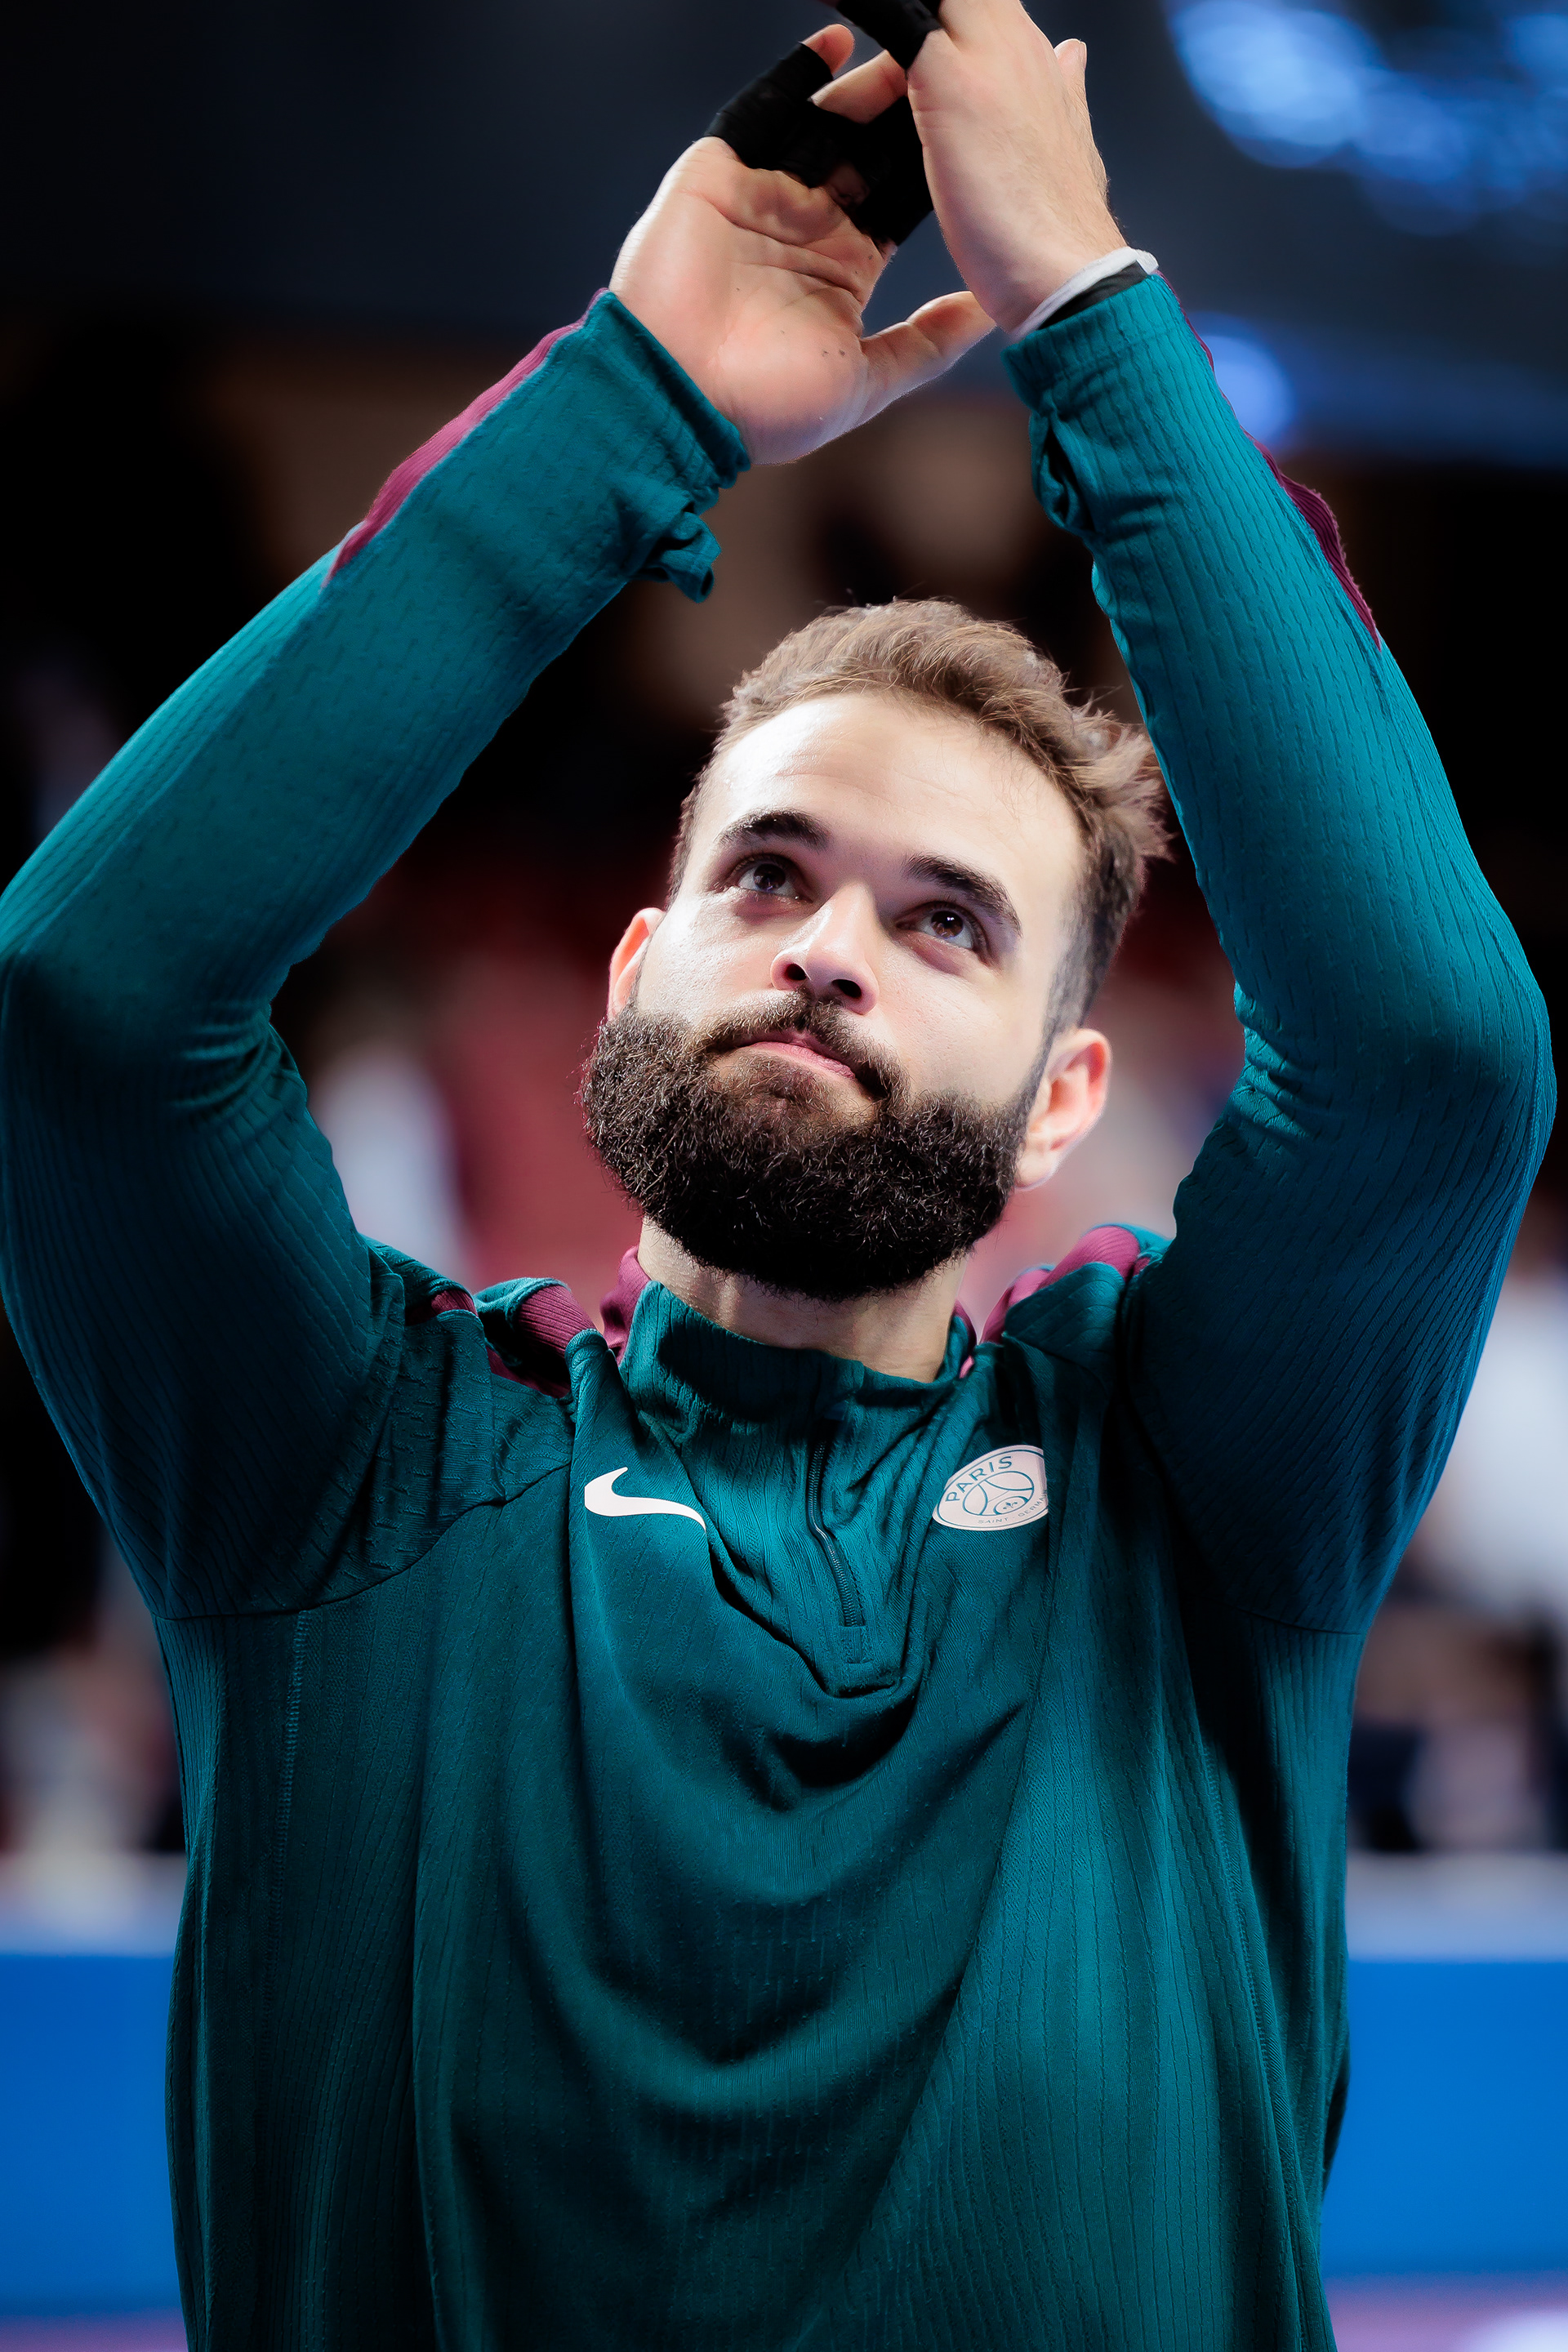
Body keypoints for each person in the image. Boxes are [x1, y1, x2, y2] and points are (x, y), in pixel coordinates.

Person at [0, 2, 1551, 2344]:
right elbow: (88, 1002)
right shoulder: (343, 1468)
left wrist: (1092, 315)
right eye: (767, 875)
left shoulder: (1193, 1494)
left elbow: (1431, 1055)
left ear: (1064, 1100)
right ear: (633, 975)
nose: (831, 949)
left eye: (950, 925)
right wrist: (635, 395)